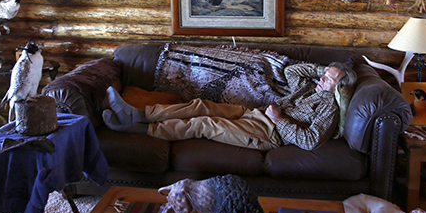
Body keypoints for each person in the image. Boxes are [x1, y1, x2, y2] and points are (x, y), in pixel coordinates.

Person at [103, 61, 357, 152]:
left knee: (204, 124)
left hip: (269, 134)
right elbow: (292, 71)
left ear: (340, 88)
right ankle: (138, 114)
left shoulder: (329, 109)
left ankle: (137, 129)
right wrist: (321, 70)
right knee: (201, 105)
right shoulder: (308, 86)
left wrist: (280, 120)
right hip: (256, 115)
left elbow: (311, 140)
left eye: (328, 79)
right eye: (324, 75)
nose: (322, 79)